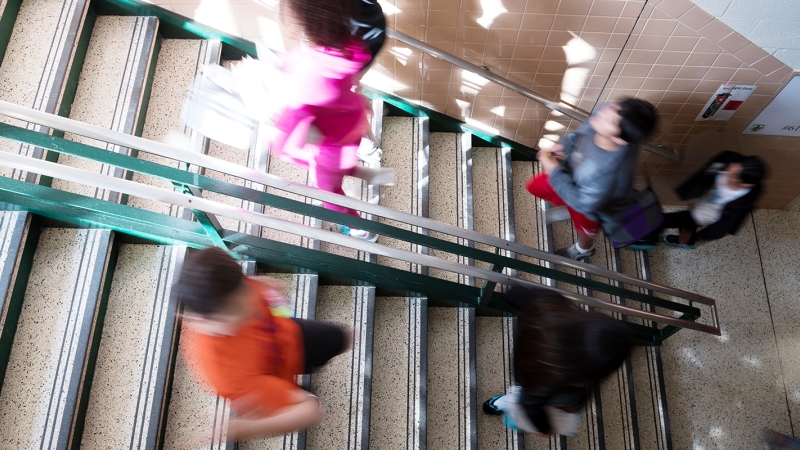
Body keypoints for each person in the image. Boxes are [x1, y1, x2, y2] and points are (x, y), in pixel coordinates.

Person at [176, 247, 350, 441]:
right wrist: (247, 429)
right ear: (209, 319)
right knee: (301, 396)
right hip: (275, 373)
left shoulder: (223, 282)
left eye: (244, 287)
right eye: (239, 310)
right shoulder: (228, 373)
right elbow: (310, 409)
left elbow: (252, 287)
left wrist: (266, 287)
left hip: (289, 334)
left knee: (340, 339)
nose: (253, 305)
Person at [271, 0, 395, 242]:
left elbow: (287, 147)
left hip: (329, 144)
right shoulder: (351, 48)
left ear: (304, 27)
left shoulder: (303, 73)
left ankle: (359, 229)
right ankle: (365, 173)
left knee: (328, 193)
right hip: (351, 126)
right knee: (336, 166)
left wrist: (274, 130)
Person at [482, 286, 632, 436]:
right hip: (532, 376)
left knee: (524, 391)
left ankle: (499, 403)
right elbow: (530, 405)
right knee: (521, 396)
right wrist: (544, 429)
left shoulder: (553, 304)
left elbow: (515, 294)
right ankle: (500, 403)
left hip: (525, 360)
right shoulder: (554, 376)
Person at [527, 98, 658, 261]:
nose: (601, 113)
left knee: (585, 227)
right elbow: (582, 133)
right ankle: (569, 207)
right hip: (574, 181)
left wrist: (554, 171)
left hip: (593, 208)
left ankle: (584, 249)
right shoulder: (609, 115)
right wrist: (564, 145)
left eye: (609, 120)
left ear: (620, 140)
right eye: (612, 107)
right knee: (535, 187)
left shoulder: (607, 174)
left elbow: (584, 204)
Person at [630, 150, 765, 250]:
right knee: (688, 222)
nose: (728, 171)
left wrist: (700, 236)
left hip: (710, 213)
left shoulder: (747, 197)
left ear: (747, 184)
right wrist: (695, 192)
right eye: (733, 166)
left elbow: (727, 224)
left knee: (665, 219)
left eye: (734, 176)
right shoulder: (729, 158)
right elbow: (707, 171)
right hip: (704, 200)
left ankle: (648, 241)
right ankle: (687, 241)